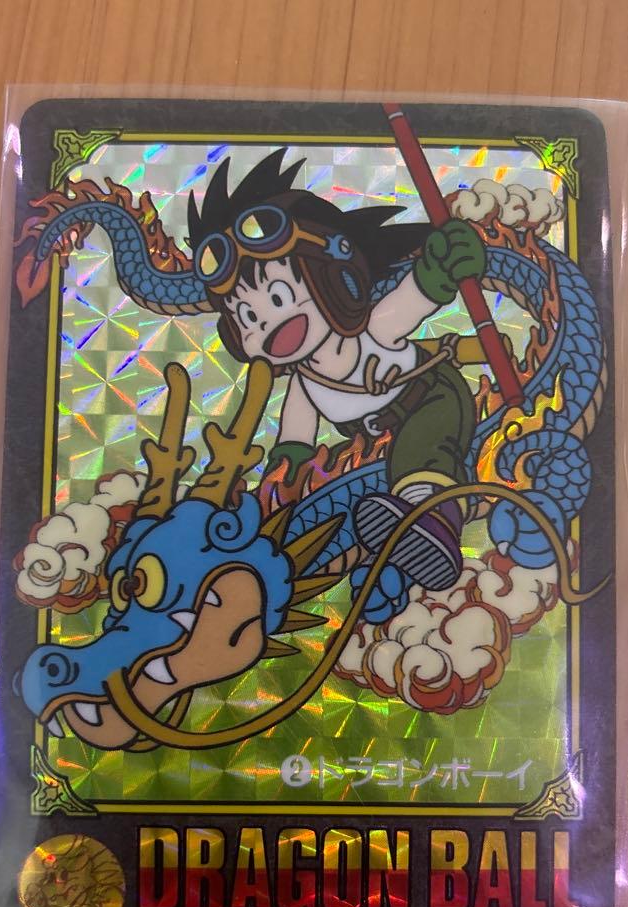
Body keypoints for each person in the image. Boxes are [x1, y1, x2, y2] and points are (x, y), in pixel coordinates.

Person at [188, 148, 485, 591]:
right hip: (374, 439)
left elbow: (415, 297)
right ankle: (400, 531)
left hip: (430, 396)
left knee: (423, 449)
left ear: (337, 280)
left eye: (278, 298)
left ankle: (433, 518)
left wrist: (441, 267)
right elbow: (295, 437)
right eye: (247, 318)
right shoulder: (305, 383)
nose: (267, 323)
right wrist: (287, 468)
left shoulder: (374, 329)